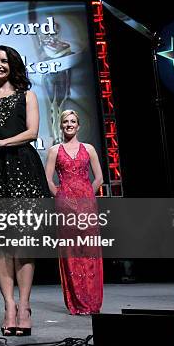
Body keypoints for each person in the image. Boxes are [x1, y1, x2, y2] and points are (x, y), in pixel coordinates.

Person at [0, 45, 51, 336]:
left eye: (3, 61)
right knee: (1, 243)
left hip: (22, 167)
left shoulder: (26, 95)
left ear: (13, 65)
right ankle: (8, 306)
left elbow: (32, 132)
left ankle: (25, 305)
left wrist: (4, 143)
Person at [44, 109, 104, 315]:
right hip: (65, 208)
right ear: (61, 126)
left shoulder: (89, 149)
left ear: (78, 126)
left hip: (87, 208)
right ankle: (77, 303)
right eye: (65, 122)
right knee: (71, 254)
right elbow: (48, 180)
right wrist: (61, 197)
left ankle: (93, 302)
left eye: (73, 121)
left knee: (90, 253)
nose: (69, 124)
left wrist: (87, 196)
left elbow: (99, 178)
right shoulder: (54, 150)